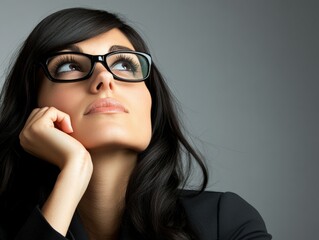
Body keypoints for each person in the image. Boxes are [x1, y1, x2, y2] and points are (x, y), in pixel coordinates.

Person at [0, 7, 271, 240]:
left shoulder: (225, 222)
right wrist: (74, 170)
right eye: (69, 66)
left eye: (124, 65)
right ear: (33, 106)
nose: (105, 77)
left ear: (151, 99)